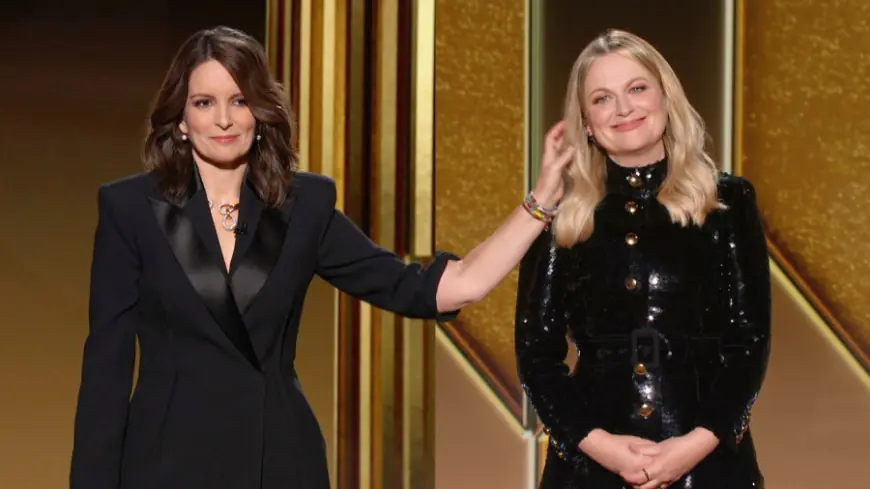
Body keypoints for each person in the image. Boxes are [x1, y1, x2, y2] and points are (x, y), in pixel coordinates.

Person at [69, 26, 571, 489]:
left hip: (279, 461)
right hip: (165, 466)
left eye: (240, 101)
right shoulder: (130, 209)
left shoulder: (303, 207)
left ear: (260, 114)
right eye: (204, 102)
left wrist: (541, 200)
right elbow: (104, 378)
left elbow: (443, 287)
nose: (223, 119)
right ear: (181, 118)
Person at [515, 29, 771, 489]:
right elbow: (537, 354)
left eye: (636, 89)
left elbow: (749, 342)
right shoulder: (561, 214)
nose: (624, 109)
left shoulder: (729, 202)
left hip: (709, 464)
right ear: (586, 123)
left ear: (665, 98)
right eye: (602, 99)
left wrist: (695, 444)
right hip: (589, 466)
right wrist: (598, 445)